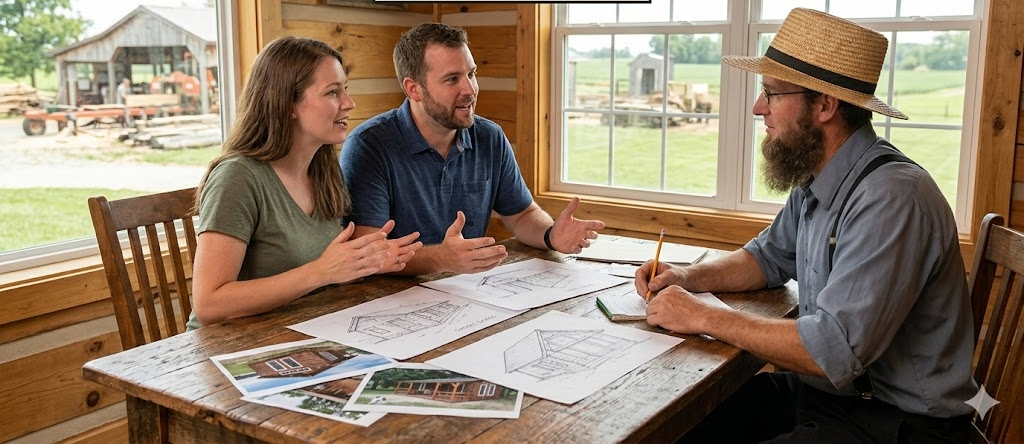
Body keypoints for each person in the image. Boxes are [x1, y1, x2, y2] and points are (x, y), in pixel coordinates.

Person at [635, 8, 978, 443]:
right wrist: (685, 277)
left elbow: (833, 348)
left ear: (826, 105)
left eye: (772, 93)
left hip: (900, 426)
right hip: (833, 401)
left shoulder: (892, 197)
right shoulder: (819, 177)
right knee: (681, 423)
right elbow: (765, 258)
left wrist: (702, 314)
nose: (759, 108)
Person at [186, 36, 422, 330]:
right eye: (333, 92)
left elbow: (331, 269)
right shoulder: (237, 178)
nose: (349, 104)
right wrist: (320, 272)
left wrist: (366, 263)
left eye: (345, 89)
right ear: (288, 104)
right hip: (226, 348)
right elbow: (209, 305)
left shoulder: (323, 170)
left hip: (301, 330)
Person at [341, 22, 604, 275]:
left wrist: (550, 235)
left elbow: (522, 215)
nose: (470, 89)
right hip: (388, 302)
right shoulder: (368, 146)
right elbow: (368, 252)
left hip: (471, 294)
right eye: (452, 79)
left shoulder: (489, 137)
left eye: (471, 74)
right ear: (414, 89)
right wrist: (440, 259)